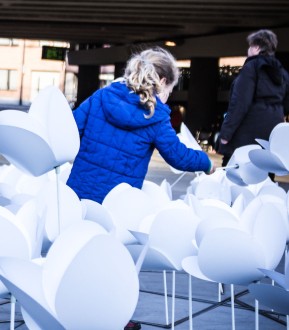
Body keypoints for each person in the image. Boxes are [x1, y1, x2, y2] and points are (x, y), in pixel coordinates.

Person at [66, 47, 215, 206]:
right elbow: (178, 156)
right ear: (162, 82)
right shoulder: (156, 117)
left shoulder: (100, 97)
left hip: (77, 195)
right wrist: (206, 163)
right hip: (118, 204)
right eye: (169, 92)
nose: (167, 98)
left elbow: (69, 130)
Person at [219, 29, 289, 166]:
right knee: (265, 174)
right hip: (271, 134)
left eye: (250, 46)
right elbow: (287, 103)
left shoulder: (251, 68)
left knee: (234, 173)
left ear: (256, 48)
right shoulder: (283, 73)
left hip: (246, 134)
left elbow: (240, 103)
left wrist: (226, 134)